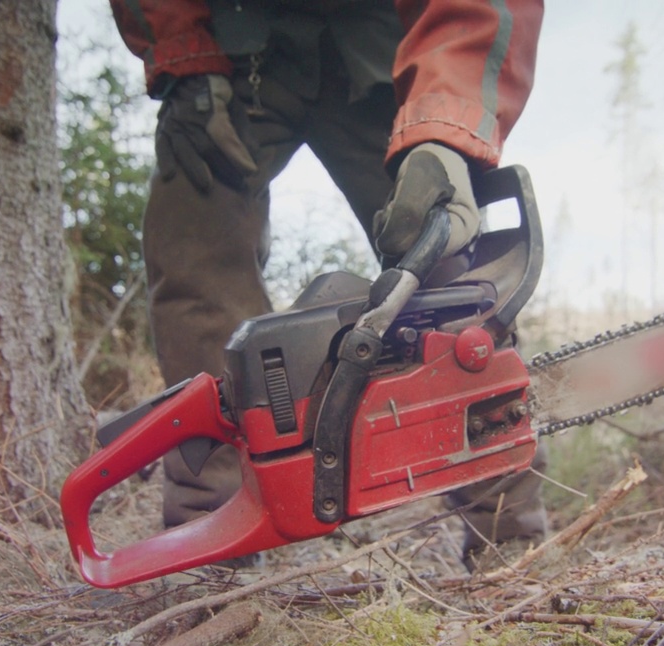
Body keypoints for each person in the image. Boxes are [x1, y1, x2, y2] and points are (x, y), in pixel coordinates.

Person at [109, 0, 548, 569]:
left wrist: (445, 127)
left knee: (446, 269)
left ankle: (507, 534)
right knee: (194, 251)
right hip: (231, 46)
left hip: (383, 49)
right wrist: (182, 54)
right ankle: (211, 537)